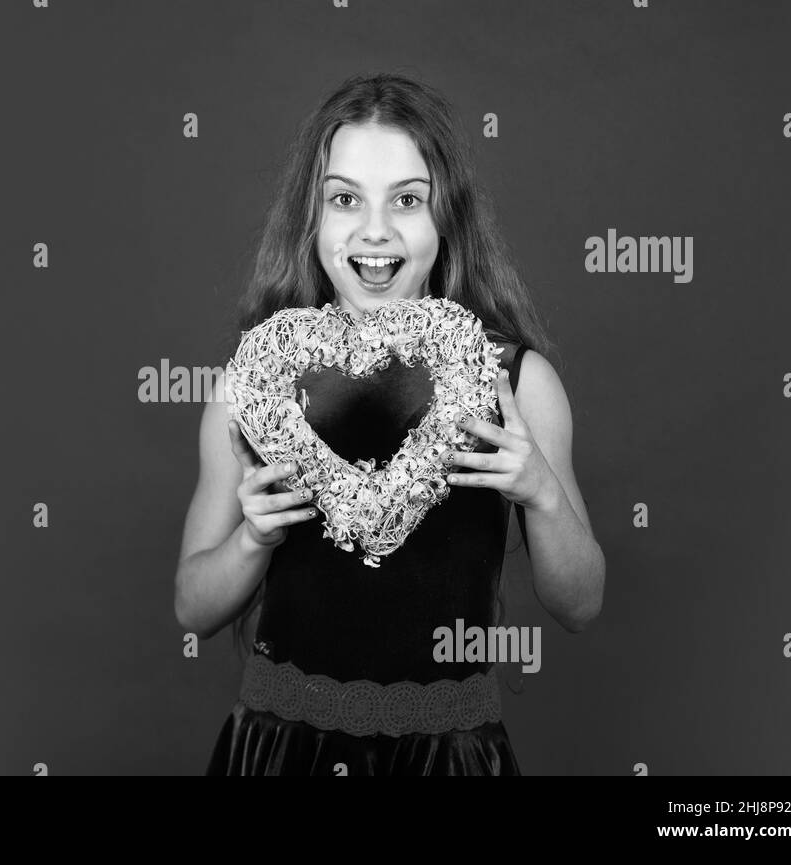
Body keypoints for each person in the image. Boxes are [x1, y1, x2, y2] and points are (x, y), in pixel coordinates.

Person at [174, 72, 605, 775]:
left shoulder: (515, 384)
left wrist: (542, 491)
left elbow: (581, 603)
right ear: (312, 219)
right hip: (280, 748)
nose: (375, 230)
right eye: (344, 199)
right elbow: (193, 605)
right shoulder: (256, 386)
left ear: (446, 220)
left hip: (449, 753)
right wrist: (252, 536)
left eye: (408, 200)